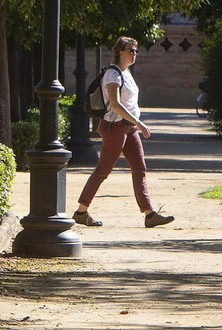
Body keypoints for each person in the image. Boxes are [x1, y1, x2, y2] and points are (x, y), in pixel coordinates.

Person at [74, 36, 174, 228]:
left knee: (139, 168)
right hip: (115, 127)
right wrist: (140, 123)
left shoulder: (126, 73)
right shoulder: (113, 74)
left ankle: (149, 213)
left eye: (135, 50)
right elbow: (115, 104)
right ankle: (81, 211)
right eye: (130, 50)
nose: (134, 54)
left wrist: (135, 124)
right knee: (103, 170)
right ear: (120, 52)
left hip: (128, 128)